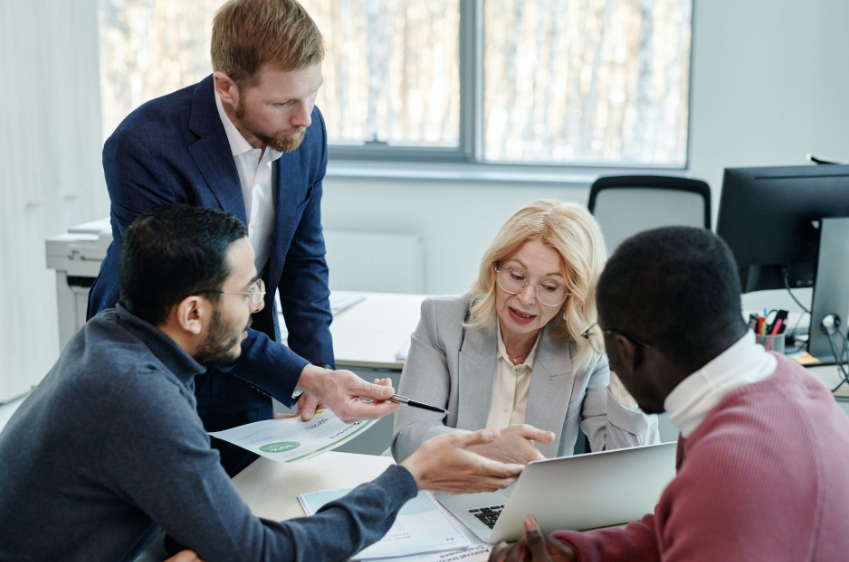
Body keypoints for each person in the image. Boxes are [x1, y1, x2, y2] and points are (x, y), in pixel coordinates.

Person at [0, 205, 523, 562]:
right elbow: (261, 554)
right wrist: (409, 478)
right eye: (246, 289)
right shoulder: (139, 396)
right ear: (191, 311)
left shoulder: (112, 334)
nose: (256, 305)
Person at [489, 227, 849, 562]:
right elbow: (676, 524)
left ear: (625, 351)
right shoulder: (787, 385)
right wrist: (574, 553)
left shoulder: (728, 469)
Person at [87, 0, 339, 476]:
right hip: (158, 363)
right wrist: (297, 373)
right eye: (284, 102)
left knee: (247, 510)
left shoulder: (307, 130)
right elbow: (189, 303)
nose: (304, 118)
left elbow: (305, 261)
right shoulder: (144, 146)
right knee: (165, 526)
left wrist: (315, 375)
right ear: (226, 87)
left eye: (313, 95)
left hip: (244, 350)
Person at [392, 200, 658, 464]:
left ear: (572, 295)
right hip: (444, 494)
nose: (527, 298)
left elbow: (624, 461)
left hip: (535, 503)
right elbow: (409, 439)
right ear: (494, 268)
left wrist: (628, 370)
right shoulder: (442, 320)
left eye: (551, 286)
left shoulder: (585, 347)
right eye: (517, 276)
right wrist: (489, 449)